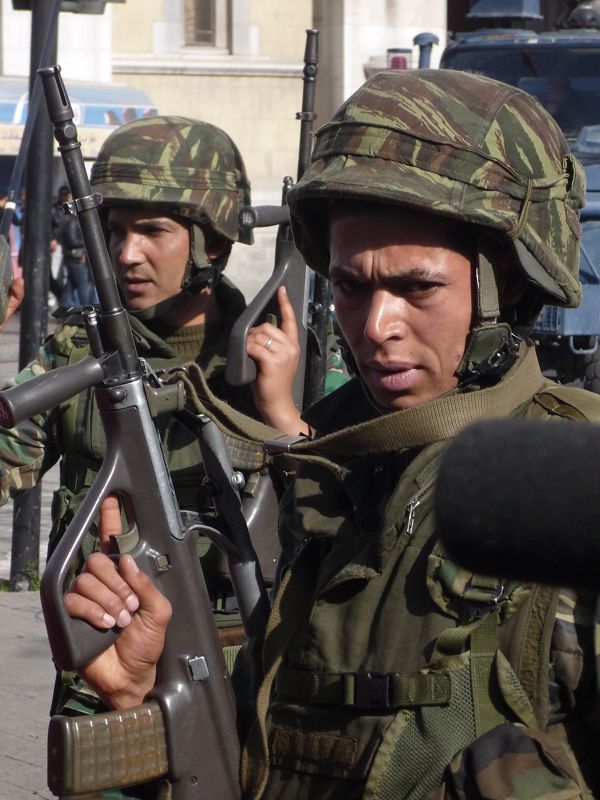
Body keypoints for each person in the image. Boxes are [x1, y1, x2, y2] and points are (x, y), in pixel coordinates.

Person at [65, 69, 600, 798]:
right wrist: (148, 693)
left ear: (504, 280)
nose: (376, 328)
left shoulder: (573, 479)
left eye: (417, 288)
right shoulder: (337, 475)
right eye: (352, 286)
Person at [0, 115, 306, 719]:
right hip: (108, 665)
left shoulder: (276, 360)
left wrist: (280, 415)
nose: (125, 253)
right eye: (115, 231)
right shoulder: (80, 355)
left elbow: (348, 523)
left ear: (211, 243)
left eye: (152, 231)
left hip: (248, 674)